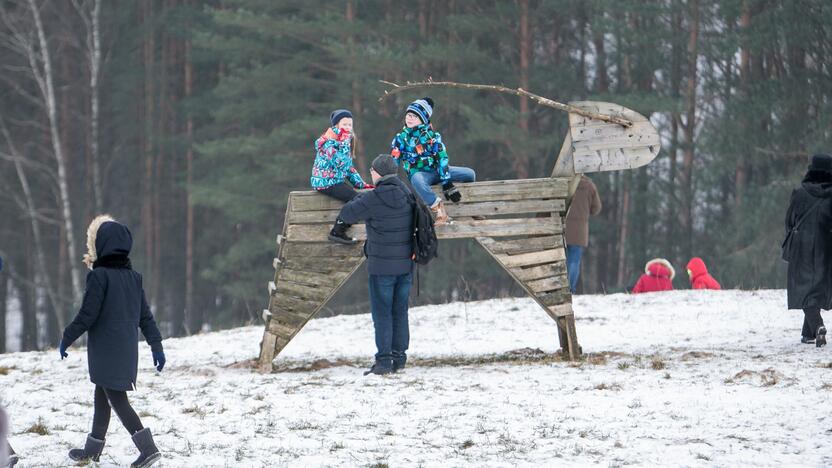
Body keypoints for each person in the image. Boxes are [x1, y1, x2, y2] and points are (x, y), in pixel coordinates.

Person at [59, 215, 165, 467]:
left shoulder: (99, 276)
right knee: (102, 395)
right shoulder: (134, 277)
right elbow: (145, 316)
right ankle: (92, 450)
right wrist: (156, 345)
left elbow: (88, 314)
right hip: (126, 350)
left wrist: (67, 336)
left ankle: (148, 449)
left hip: (106, 350)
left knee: (117, 399)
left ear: (101, 245)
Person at [338, 155, 415, 375]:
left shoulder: (374, 197)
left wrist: (353, 197)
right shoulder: (407, 194)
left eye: (372, 170)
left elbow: (348, 213)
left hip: (381, 267)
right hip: (405, 264)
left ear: (378, 173)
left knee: (382, 314)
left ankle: (383, 362)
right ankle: (399, 359)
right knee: (400, 312)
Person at [390, 97, 475, 225]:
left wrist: (446, 182)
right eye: (408, 115)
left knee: (470, 174)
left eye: (415, 116)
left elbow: (442, 157)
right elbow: (393, 160)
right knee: (417, 179)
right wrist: (389, 178)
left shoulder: (432, 137)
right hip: (420, 174)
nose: (410, 118)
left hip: (437, 171)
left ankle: (470, 209)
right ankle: (439, 211)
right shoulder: (401, 138)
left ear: (423, 120)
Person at [784, 154, 832, 347]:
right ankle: (809, 333)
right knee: (817, 290)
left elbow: (789, 221)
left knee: (804, 291)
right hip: (825, 248)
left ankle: (818, 326)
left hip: (802, 248)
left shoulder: (800, 194)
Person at [311, 109, 373, 244]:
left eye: (350, 125)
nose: (348, 128)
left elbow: (348, 168)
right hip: (325, 182)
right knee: (356, 199)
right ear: (336, 126)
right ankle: (337, 231)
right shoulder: (329, 142)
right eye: (344, 124)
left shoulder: (343, 141)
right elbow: (340, 163)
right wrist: (344, 142)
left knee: (360, 196)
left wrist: (360, 184)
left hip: (335, 181)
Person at [565, 175, 602, 293]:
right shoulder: (589, 186)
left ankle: (558, 287)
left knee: (561, 260)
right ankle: (570, 289)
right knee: (574, 260)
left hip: (562, 227)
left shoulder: (565, 183)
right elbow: (596, 208)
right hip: (580, 230)